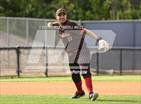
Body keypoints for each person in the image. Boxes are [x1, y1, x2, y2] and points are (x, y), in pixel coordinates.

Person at [48, 8, 109, 101]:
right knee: (74, 75)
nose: (62, 16)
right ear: (56, 17)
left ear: (66, 16)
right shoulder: (59, 25)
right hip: (71, 54)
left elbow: (86, 31)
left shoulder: (71, 25)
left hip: (82, 51)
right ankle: (80, 92)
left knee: (85, 71)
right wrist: (51, 24)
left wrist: (98, 39)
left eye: (63, 14)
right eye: (59, 15)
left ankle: (91, 93)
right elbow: (56, 23)